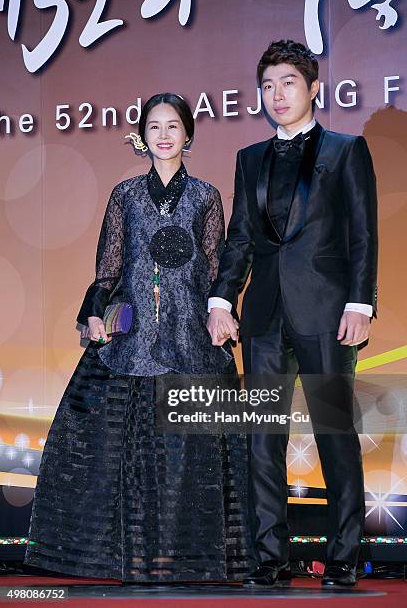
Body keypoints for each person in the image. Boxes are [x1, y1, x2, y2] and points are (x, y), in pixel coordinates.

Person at [24, 93, 252, 582]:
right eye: (155, 126)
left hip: (193, 341)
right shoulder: (125, 195)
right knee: (121, 456)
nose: (165, 135)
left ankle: (187, 559)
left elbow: (216, 270)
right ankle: (127, 558)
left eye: (173, 126)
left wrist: (222, 312)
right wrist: (95, 315)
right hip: (133, 342)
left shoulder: (206, 196)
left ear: (188, 135)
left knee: (190, 460)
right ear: (142, 135)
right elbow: (108, 270)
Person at [207, 40, 378, 589]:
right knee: (261, 439)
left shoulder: (347, 150)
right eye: (267, 85)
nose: (276, 95)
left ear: (313, 89)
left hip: (329, 314)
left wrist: (360, 302)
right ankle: (268, 557)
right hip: (262, 316)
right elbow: (239, 240)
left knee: (334, 432)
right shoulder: (249, 158)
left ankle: (345, 556)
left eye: (287, 83)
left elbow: (362, 234)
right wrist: (220, 301)